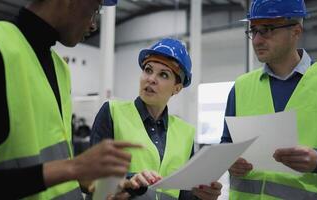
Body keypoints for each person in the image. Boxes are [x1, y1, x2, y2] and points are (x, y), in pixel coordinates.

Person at [0, 0, 141, 199]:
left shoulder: (61, 69)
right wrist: (72, 167)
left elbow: (52, 164)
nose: (93, 24)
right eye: (95, 10)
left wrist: (91, 184)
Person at [220, 0, 317, 199]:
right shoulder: (241, 87)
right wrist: (229, 160)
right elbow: (226, 143)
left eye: (267, 29)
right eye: (254, 30)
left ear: (296, 31)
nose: (257, 40)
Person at [90, 38, 223, 200]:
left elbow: (182, 194)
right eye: (148, 70)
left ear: (177, 88)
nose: (151, 78)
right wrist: (129, 180)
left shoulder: (185, 133)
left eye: (163, 75)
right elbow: (92, 179)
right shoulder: (112, 112)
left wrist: (201, 195)